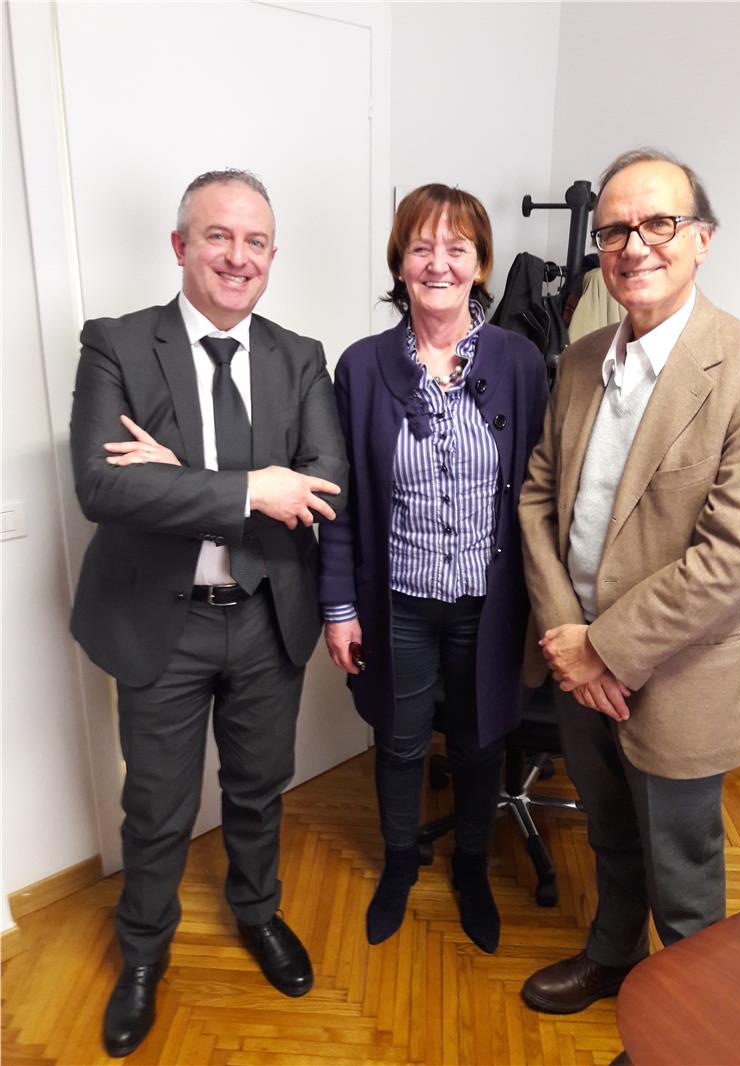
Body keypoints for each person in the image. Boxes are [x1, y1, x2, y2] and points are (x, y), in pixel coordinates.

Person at [70, 169, 348, 1057]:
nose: (238, 256)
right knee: (156, 806)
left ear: (272, 254)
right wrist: (249, 488)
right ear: (180, 245)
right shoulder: (116, 343)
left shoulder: (300, 356)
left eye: (255, 241)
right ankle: (143, 954)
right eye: (218, 236)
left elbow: (322, 486)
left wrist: (178, 477)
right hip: (162, 622)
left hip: (266, 616)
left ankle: (257, 913)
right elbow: (101, 486)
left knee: (259, 790)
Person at [518, 148, 740, 1019]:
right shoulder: (579, 360)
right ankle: (612, 958)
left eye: (658, 223)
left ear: (702, 239)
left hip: (678, 674)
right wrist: (568, 641)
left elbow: (733, 555)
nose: (634, 245)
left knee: (683, 871)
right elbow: (538, 498)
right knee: (608, 834)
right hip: (577, 661)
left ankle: (690, 1023)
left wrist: (603, 649)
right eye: (614, 230)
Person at [318, 184, 549, 953]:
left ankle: (473, 868)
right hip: (400, 604)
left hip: (491, 604)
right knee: (399, 740)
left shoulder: (520, 362)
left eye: (457, 248)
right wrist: (339, 607)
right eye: (421, 248)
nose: (438, 264)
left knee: (480, 743)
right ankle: (397, 864)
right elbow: (342, 501)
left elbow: (541, 492)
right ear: (400, 263)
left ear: (480, 263)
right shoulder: (362, 367)